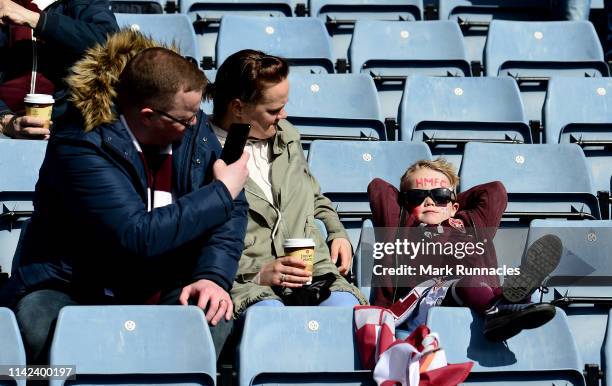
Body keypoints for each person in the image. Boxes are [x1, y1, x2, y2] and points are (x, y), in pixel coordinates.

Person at [0, 30, 249, 363]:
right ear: (148, 115)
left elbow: (232, 209)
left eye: (196, 116)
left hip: (165, 279)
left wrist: (212, 276)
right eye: (186, 119)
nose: (196, 124)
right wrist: (221, 192)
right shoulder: (81, 142)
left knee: (212, 320)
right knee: (49, 335)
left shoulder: (191, 125)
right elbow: (136, 234)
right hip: (73, 284)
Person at [205, 49, 367, 317]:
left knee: (348, 317)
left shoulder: (287, 135)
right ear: (237, 108)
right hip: (248, 283)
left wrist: (337, 231)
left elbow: (312, 193)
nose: (284, 114)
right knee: (271, 321)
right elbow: (199, 239)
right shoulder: (203, 155)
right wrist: (258, 274)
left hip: (312, 271)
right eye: (274, 110)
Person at [368, 158, 561, 341]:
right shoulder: (402, 225)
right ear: (406, 203)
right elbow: (378, 187)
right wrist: (442, 198)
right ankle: (506, 306)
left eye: (439, 196)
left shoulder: (470, 222)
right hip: (428, 302)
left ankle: (514, 302)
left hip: (479, 291)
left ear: (455, 206)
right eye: (418, 196)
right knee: (471, 282)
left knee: (485, 285)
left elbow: (495, 191)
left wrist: (450, 201)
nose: (429, 202)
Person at [0, 0, 118, 139]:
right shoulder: (4, 5)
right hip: (5, 127)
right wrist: (5, 119)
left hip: (70, 129)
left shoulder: (83, 3)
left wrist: (36, 20)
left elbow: (109, 43)